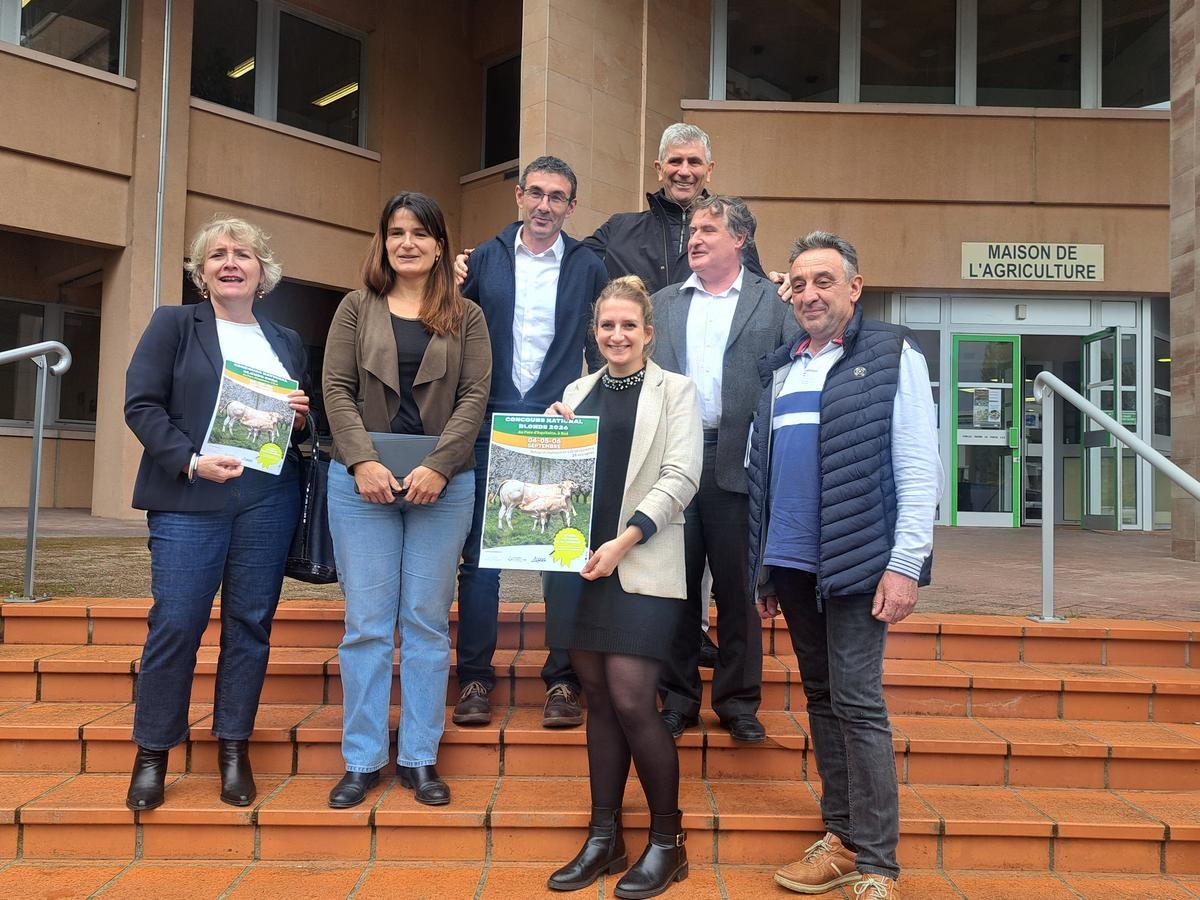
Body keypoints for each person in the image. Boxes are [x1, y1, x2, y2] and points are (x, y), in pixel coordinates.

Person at [747, 231, 942, 899]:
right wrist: (763, 572)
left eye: (824, 281)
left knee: (859, 704)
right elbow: (764, 478)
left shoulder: (892, 355)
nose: (810, 294)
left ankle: (879, 863)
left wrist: (906, 563)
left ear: (854, 288)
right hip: (795, 567)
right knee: (824, 700)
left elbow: (919, 466)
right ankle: (840, 837)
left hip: (862, 563)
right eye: (799, 283)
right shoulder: (780, 369)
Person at [123, 216, 310, 811]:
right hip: (189, 498)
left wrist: (301, 417)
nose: (231, 262)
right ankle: (153, 751)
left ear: (263, 271)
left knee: (250, 627)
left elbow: (297, 424)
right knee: (177, 624)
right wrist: (190, 460)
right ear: (202, 274)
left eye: (244, 255)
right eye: (217, 255)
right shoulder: (174, 324)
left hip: (266, 500)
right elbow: (141, 404)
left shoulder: (285, 341)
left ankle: (233, 746)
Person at [322, 192, 491, 809]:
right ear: (383, 241)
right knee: (366, 626)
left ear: (440, 245)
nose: (408, 243)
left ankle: (420, 757)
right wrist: (362, 460)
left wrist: (438, 468)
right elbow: (335, 390)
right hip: (361, 484)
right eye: (396, 232)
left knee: (424, 625)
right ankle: (363, 759)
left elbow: (475, 397)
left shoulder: (466, 315)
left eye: (421, 232)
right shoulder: (353, 308)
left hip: (442, 487)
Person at [542, 276, 701, 899]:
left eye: (628, 326)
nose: (616, 335)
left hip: (641, 564)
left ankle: (669, 841)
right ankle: (604, 836)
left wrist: (625, 541)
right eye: (607, 325)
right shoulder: (575, 393)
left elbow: (682, 475)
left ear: (648, 333)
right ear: (596, 331)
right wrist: (554, 435)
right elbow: (563, 478)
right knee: (598, 702)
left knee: (634, 700)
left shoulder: (677, 392)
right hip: (580, 569)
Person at [453, 156, 609, 730]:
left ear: (571, 207)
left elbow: (602, 350)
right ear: (519, 196)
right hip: (485, 422)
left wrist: (597, 419)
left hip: (559, 425)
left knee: (563, 559)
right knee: (480, 562)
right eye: (536, 193)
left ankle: (563, 680)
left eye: (558, 197)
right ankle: (473, 677)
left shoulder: (590, 267)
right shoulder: (481, 261)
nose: (545, 206)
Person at [650, 196, 793, 743]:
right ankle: (679, 699)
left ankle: (738, 704)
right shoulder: (661, 304)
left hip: (741, 461)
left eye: (709, 229)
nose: (696, 237)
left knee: (738, 591)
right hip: (675, 460)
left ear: (741, 240)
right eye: (692, 229)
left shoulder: (773, 302)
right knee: (676, 588)